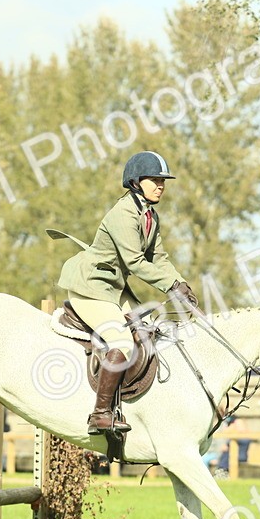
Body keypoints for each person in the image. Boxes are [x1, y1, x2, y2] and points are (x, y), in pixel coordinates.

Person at [52, 152, 198, 435]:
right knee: (123, 341)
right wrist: (170, 286)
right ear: (135, 182)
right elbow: (135, 262)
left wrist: (181, 283)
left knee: (149, 330)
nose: (160, 186)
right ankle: (100, 413)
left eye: (162, 181)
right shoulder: (123, 213)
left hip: (114, 287)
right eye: (154, 180)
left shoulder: (150, 216)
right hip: (91, 286)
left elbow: (160, 258)